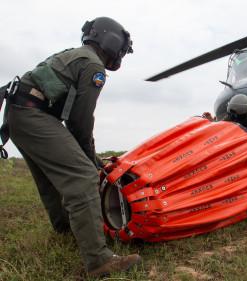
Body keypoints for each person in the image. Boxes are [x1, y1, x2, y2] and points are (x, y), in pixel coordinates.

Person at [1, 17, 141, 277]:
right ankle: (99, 260)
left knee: (50, 179)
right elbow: (80, 121)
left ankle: (66, 230)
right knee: (83, 176)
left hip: (18, 113)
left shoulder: (77, 55)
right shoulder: (93, 66)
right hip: (33, 114)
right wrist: (91, 160)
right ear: (111, 42)